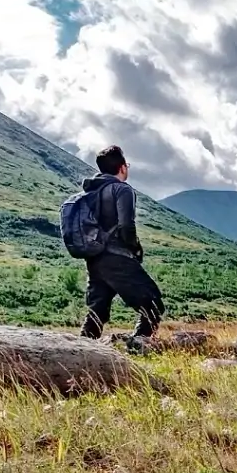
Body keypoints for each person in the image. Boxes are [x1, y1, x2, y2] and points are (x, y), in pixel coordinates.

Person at [78, 145, 165, 342]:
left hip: (94, 258)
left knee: (97, 311)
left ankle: (83, 351)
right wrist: (134, 247)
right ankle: (138, 348)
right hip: (117, 256)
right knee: (152, 304)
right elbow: (126, 225)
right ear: (123, 167)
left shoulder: (89, 193)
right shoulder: (122, 189)